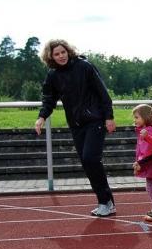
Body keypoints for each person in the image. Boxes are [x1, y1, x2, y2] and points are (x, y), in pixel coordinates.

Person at [35, 39, 116, 216]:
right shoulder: (53, 75)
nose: (61, 56)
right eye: (56, 54)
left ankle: (105, 201)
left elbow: (103, 93)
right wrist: (41, 117)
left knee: (90, 159)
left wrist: (109, 117)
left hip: (95, 120)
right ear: (51, 57)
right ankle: (106, 201)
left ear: (68, 51)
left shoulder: (85, 66)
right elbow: (48, 99)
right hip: (76, 124)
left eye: (63, 52)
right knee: (87, 163)